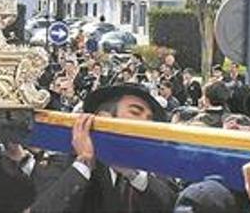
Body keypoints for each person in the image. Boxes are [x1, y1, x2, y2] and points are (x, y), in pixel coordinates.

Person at [32, 83, 178, 213]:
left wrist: (134, 175)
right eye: (135, 112)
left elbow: (171, 205)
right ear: (104, 118)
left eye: (149, 119)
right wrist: (84, 163)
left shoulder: (151, 169)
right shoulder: (62, 162)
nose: (146, 124)